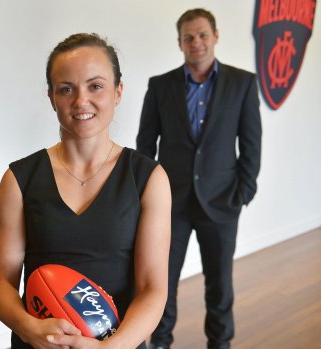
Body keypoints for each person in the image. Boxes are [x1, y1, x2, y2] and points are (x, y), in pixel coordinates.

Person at [0, 33, 172, 349]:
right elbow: (3, 283)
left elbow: (152, 288)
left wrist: (108, 348)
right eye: (66, 89)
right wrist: (29, 328)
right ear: (51, 97)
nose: (81, 101)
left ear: (118, 92)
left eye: (95, 86)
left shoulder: (148, 178)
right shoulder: (19, 178)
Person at [136, 8, 262, 349]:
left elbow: (251, 145)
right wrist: (148, 197)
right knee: (161, 282)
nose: (196, 42)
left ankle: (220, 343)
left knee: (220, 284)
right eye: (189, 37)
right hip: (170, 206)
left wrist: (243, 192)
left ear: (216, 36)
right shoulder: (160, 86)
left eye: (203, 34)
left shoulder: (243, 83)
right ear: (179, 43)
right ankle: (159, 343)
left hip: (222, 203)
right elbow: (146, 145)